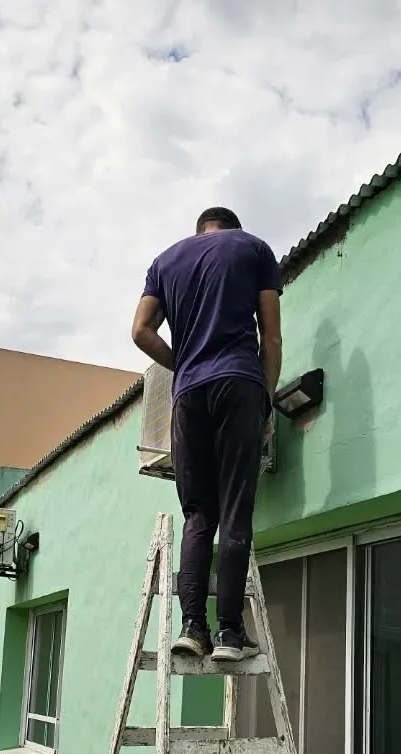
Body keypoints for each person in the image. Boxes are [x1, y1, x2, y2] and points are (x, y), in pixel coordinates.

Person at [131, 207, 282, 661]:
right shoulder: (253, 248)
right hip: (239, 384)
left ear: (200, 230)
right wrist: (265, 400)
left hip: (187, 396)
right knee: (237, 511)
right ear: (231, 227)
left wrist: (186, 365)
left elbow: (140, 331)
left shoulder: (165, 262)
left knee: (199, 515)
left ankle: (193, 628)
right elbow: (270, 338)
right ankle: (230, 634)